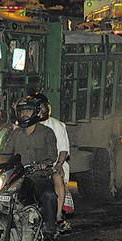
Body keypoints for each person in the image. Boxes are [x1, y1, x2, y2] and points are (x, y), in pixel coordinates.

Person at [0, 95, 59, 241]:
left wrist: (42, 165)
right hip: (19, 177)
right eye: (22, 112)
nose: (24, 115)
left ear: (36, 113)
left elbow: (52, 156)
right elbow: (5, 153)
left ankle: (49, 233)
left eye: (28, 111)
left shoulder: (46, 133)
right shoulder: (15, 133)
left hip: (39, 177)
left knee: (49, 195)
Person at [34, 93, 72, 233]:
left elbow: (63, 149)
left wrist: (58, 165)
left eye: (42, 107)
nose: (41, 110)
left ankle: (58, 216)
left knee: (57, 180)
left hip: (52, 165)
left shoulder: (56, 126)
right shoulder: (24, 126)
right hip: (31, 166)